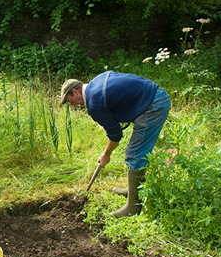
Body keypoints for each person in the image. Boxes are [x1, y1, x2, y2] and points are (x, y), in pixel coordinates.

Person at [59, 71, 171, 217]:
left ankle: (134, 206)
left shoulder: (95, 104)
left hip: (153, 105)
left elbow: (115, 134)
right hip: (155, 96)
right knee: (137, 151)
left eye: (70, 101)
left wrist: (106, 154)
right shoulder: (96, 80)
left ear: (75, 91)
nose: (72, 105)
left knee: (135, 153)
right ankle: (134, 191)